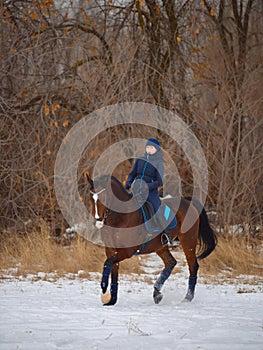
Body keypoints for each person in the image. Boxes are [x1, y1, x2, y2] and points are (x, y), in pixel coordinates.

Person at [125, 138, 171, 245]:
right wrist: (128, 184)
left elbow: (159, 181)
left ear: (157, 150)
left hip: (151, 192)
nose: (149, 150)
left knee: (157, 209)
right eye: (148, 147)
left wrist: (147, 186)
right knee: (126, 206)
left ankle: (164, 233)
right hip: (136, 190)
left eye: (151, 148)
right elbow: (132, 174)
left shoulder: (159, 163)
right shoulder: (140, 160)